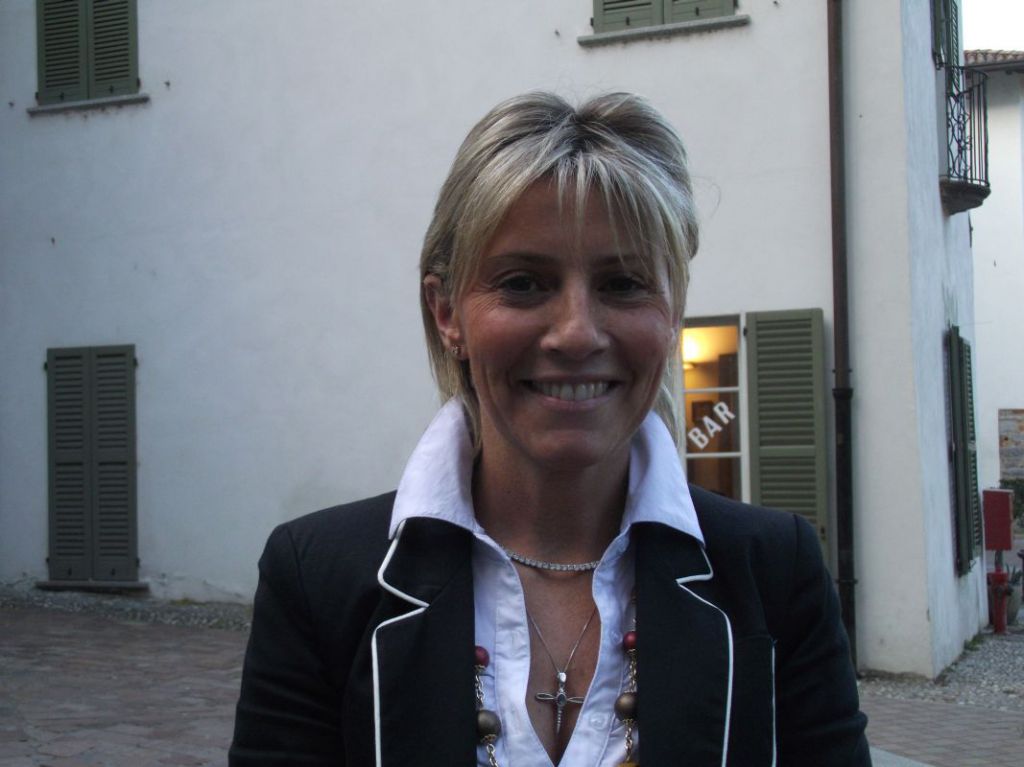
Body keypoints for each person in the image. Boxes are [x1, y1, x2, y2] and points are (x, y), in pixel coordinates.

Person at [229, 92, 871, 766]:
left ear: (673, 310)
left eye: (622, 284)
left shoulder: (774, 573)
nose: (577, 333)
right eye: (523, 283)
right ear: (447, 312)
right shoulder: (317, 579)